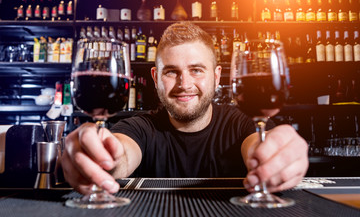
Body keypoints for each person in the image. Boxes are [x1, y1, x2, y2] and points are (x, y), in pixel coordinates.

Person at [62, 22, 308, 195]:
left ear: (217, 76)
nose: (184, 84)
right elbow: (120, 154)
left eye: (196, 70)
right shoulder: (140, 126)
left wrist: (279, 154)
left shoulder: (242, 123)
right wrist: (97, 156)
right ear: (156, 78)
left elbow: (260, 146)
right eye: (171, 72)